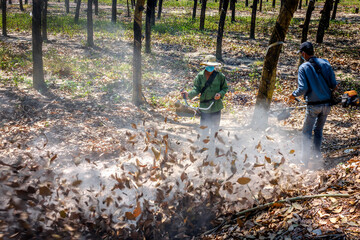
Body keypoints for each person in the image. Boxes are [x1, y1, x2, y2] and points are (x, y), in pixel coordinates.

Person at [289, 41, 337, 169]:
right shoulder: (326, 63)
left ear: (304, 53)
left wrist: (293, 95)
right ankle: (316, 156)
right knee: (319, 130)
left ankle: (304, 161)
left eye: (301, 54)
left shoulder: (303, 67)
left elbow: (303, 88)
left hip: (313, 106)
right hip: (327, 105)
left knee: (306, 132)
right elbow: (334, 84)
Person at [181, 55, 228, 148]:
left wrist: (220, 94)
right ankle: (203, 146)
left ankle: (212, 146)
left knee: (214, 128)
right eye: (208, 65)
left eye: (212, 66)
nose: (210, 68)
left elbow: (225, 88)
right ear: (205, 65)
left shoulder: (220, 76)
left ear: (215, 66)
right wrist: (188, 95)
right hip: (204, 107)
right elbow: (196, 89)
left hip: (216, 106)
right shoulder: (200, 76)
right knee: (204, 128)